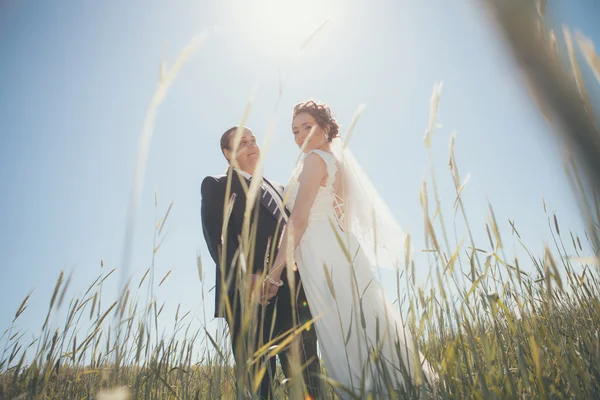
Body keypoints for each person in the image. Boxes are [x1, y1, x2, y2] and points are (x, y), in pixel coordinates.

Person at [262, 101, 437, 398]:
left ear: (327, 128)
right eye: (294, 130)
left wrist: (275, 274)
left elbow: (299, 220)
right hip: (339, 247)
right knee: (364, 325)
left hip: (320, 253)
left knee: (343, 334)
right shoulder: (334, 162)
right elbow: (340, 216)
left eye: (307, 126)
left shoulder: (314, 160)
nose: (300, 134)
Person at [200, 126, 323, 399]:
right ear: (227, 153)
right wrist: (247, 278)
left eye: (253, 140)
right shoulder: (217, 184)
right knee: (258, 380)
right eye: (243, 142)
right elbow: (218, 241)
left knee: (306, 374)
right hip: (251, 299)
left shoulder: (278, 188)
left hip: (294, 293)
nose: (252, 144)